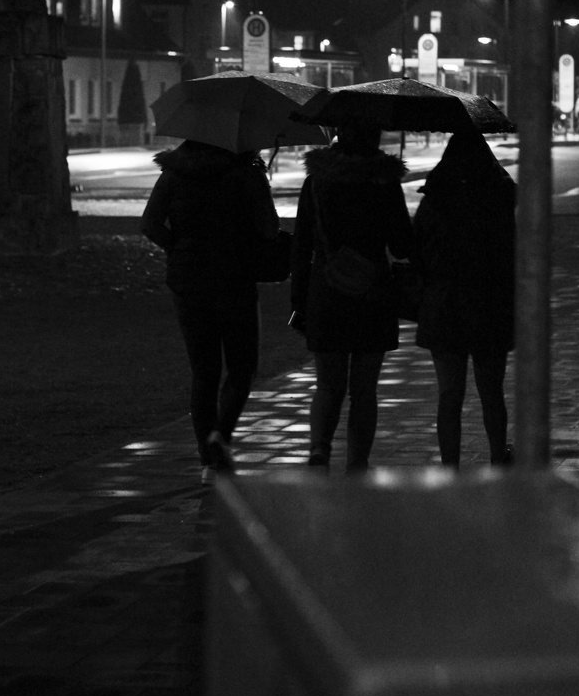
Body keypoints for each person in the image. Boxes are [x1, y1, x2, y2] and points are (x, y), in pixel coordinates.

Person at [141, 139, 280, 483]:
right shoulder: (245, 174)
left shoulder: (174, 175)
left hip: (189, 282)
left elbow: (150, 223)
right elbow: (269, 228)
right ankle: (222, 436)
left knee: (204, 371)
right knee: (241, 367)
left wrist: (180, 248)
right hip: (234, 278)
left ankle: (207, 461)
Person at [290, 120, 413, 473]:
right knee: (364, 389)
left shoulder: (317, 181)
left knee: (328, 384)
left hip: (325, 291)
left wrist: (299, 300)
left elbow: (301, 244)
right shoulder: (384, 181)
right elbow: (402, 244)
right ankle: (358, 462)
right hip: (372, 293)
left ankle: (319, 450)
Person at [413, 128, 516, 469]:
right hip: (489, 305)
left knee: (449, 396)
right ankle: (498, 457)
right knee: (491, 394)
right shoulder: (497, 199)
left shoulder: (435, 199)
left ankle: (450, 467)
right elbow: (511, 254)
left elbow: (416, 253)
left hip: (445, 307)